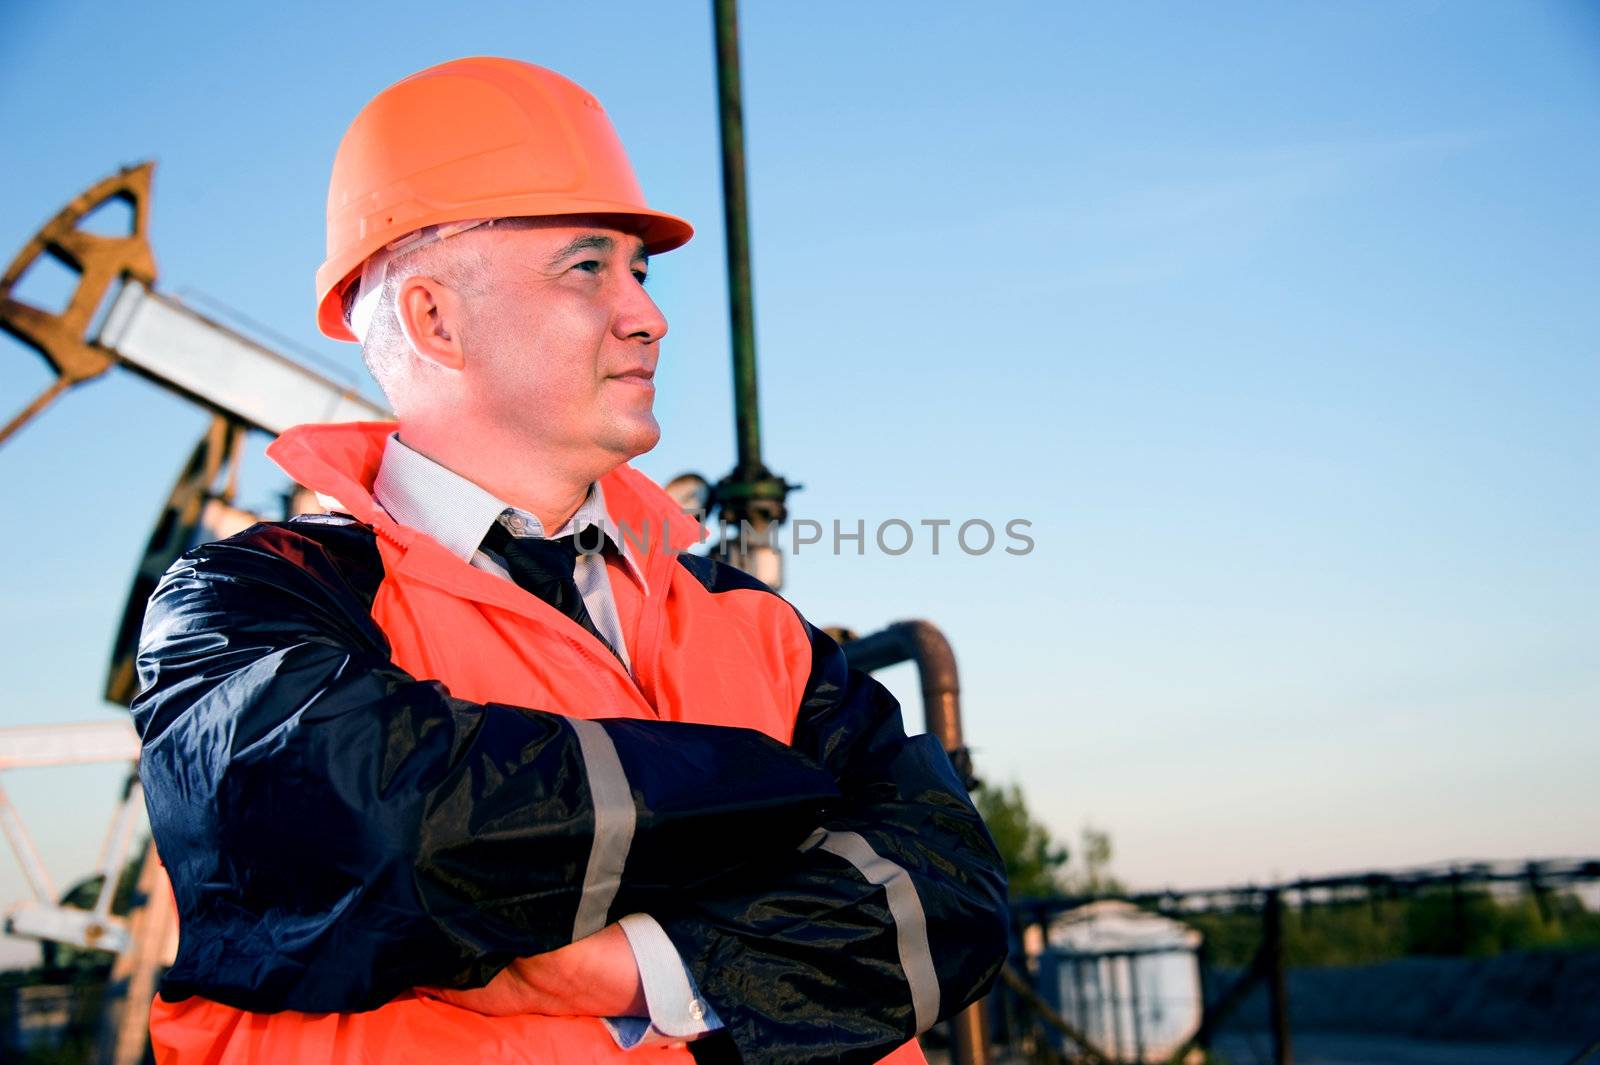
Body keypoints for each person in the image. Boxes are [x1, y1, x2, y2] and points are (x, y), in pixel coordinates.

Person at [132, 57, 1008, 1065]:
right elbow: (390, 835)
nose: (648, 315)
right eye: (587, 267)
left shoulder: (748, 620)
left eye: (639, 270)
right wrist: (796, 808)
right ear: (432, 320)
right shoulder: (248, 606)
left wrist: (646, 963)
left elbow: (954, 896)